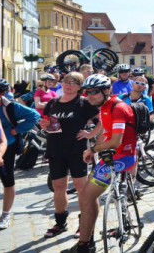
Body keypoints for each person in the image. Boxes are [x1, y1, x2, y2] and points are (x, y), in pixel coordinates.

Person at [62, 74, 137, 253]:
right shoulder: (105, 106)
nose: (89, 96)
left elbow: (115, 142)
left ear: (106, 90)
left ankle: (85, 245)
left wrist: (92, 150)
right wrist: (96, 148)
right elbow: (105, 131)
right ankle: (87, 240)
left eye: (94, 92)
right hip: (110, 156)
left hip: (122, 157)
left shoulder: (118, 107)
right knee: (88, 193)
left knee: (86, 197)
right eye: (86, 92)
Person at [39, 72, 100, 237]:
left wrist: (90, 134)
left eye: (74, 82)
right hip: (55, 150)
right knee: (59, 187)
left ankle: (84, 223)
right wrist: (44, 126)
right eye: (67, 81)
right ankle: (60, 223)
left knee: (81, 188)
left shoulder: (83, 103)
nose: (69, 85)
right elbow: (45, 123)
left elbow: (101, 120)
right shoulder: (52, 102)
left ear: (80, 87)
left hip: (77, 151)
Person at [0, 78, 41, 230]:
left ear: (2, 93)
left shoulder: (10, 106)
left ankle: (5, 214)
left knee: (7, 180)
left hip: (7, 146)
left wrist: (17, 130)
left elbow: (34, 116)